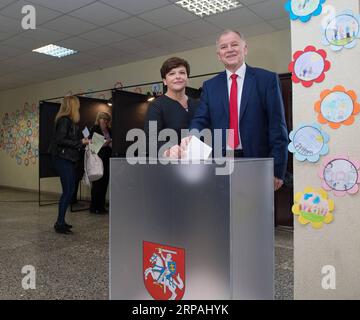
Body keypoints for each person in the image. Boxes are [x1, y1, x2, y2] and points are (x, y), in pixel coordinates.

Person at [181, 30, 288, 190]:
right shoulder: (210, 86)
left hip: (257, 162)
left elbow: (277, 126)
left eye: (234, 44)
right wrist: (191, 136)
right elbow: (200, 119)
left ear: (245, 49)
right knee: (223, 211)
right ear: (219, 55)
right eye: (224, 47)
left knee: (254, 210)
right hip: (221, 162)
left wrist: (277, 170)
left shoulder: (267, 79)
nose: (229, 49)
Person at [144, 57, 199, 158]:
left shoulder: (197, 105)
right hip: (169, 166)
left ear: (187, 78)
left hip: (198, 165)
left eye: (182, 72)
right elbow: (150, 139)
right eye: (172, 73)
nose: (178, 76)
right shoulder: (156, 106)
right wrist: (167, 150)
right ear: (164, 81)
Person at [49, 96, 90, 234]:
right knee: (68, 191)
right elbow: (60, 140)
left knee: (70, 190)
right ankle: (59, 223)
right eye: (76, 105)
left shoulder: (67, 121)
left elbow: (65, 139)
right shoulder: (64, 120)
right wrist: (80, 143)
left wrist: (80, 141)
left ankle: (61, 221)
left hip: (66, 158)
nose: (78, 108)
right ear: (72, 106)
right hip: (62, 159)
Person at [89, 111, 112, 214]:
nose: (106, 122)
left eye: (107, 120)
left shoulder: (109, 130)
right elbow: (93, 147)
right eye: (104, 119)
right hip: (98, 160)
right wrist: (105, 143)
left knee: (105, 183)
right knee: (97, 184)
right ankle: (94, 207)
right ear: (99, 119)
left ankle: (101, 206)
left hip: (107, 159)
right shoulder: (95, 129)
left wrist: (110, 143)